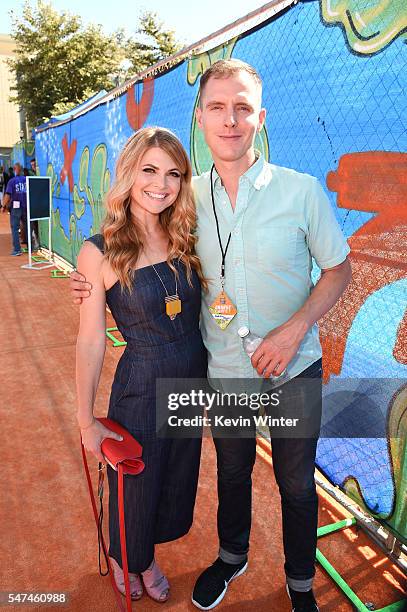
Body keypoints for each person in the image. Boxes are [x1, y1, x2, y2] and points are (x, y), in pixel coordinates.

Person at [70, 59, 351, 612]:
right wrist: (90, 280)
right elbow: (133, 236)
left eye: (242, 108)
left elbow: (338, 270)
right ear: (200, 118)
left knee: (296, 486)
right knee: (232, 473)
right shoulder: (184, 199)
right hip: (223, 374)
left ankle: (299, 585)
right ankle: (231, 557)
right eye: (218, 108)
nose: (230, 120)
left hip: (294, 369)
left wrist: (295, 331)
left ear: (260, 118)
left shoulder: (301, 191)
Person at [75, 127, 208, 603]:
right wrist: (85, 420)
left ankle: (144, 555)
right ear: (129, 173)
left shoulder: (187, 234)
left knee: (174, 480)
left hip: (193, 381)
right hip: (143, 386)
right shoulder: (99, 250)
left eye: (173, 173)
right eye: (149, 169)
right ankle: (127, 559)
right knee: (137, 484)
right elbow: (90, 340)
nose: (161, 183)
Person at [1, 162, 27, 256]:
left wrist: (3, 206)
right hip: (26, 206)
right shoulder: (27, 180)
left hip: (16, 208)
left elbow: (8, 195)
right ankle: (30, 246)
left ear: (15, 170)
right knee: (27, 225)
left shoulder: (12, 181)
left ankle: (17, 249)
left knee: (15, 228)